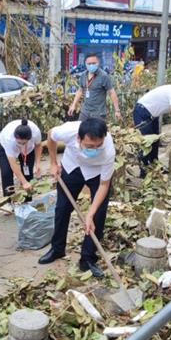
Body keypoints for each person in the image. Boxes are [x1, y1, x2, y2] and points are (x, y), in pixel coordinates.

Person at [38, 118, 115, 278]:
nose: (94, 149)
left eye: (98, 146)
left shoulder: (108, 151)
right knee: (62, 208)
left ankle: (87, 258)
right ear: (78, 139)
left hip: (97, 173)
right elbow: (51, 135)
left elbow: (104, 185)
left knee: (98, 214)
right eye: (89, 146)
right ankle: (57, 249)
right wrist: (53, 163)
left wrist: (90, 214)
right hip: (72, 166)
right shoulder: (69, 131)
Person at [68, 53, 122, 122]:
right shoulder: (83, 75)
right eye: (89, 63)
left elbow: (112, 92)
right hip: (84, 112)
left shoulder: (103, 76)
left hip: (98, 113)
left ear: (98, 63)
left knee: (96, 132)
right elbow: (80, 91)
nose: (91, 65)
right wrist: (73, 105)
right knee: (81, 131)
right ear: (85, 64)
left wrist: (117, 110)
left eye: (94, 63)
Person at [0, 118, 43, 197]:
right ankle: (9, 200)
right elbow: (13, 163)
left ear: (29, 139)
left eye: (23, 142)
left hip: (28, 150)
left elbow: (38, 145)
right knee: (6, 173)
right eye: (19, 142)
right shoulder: (9, 139)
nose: (21, 144)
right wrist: (24, 182)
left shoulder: (35, 132)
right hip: (5, 148)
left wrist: (38, 163)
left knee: (27, 174)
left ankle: (27, 200)